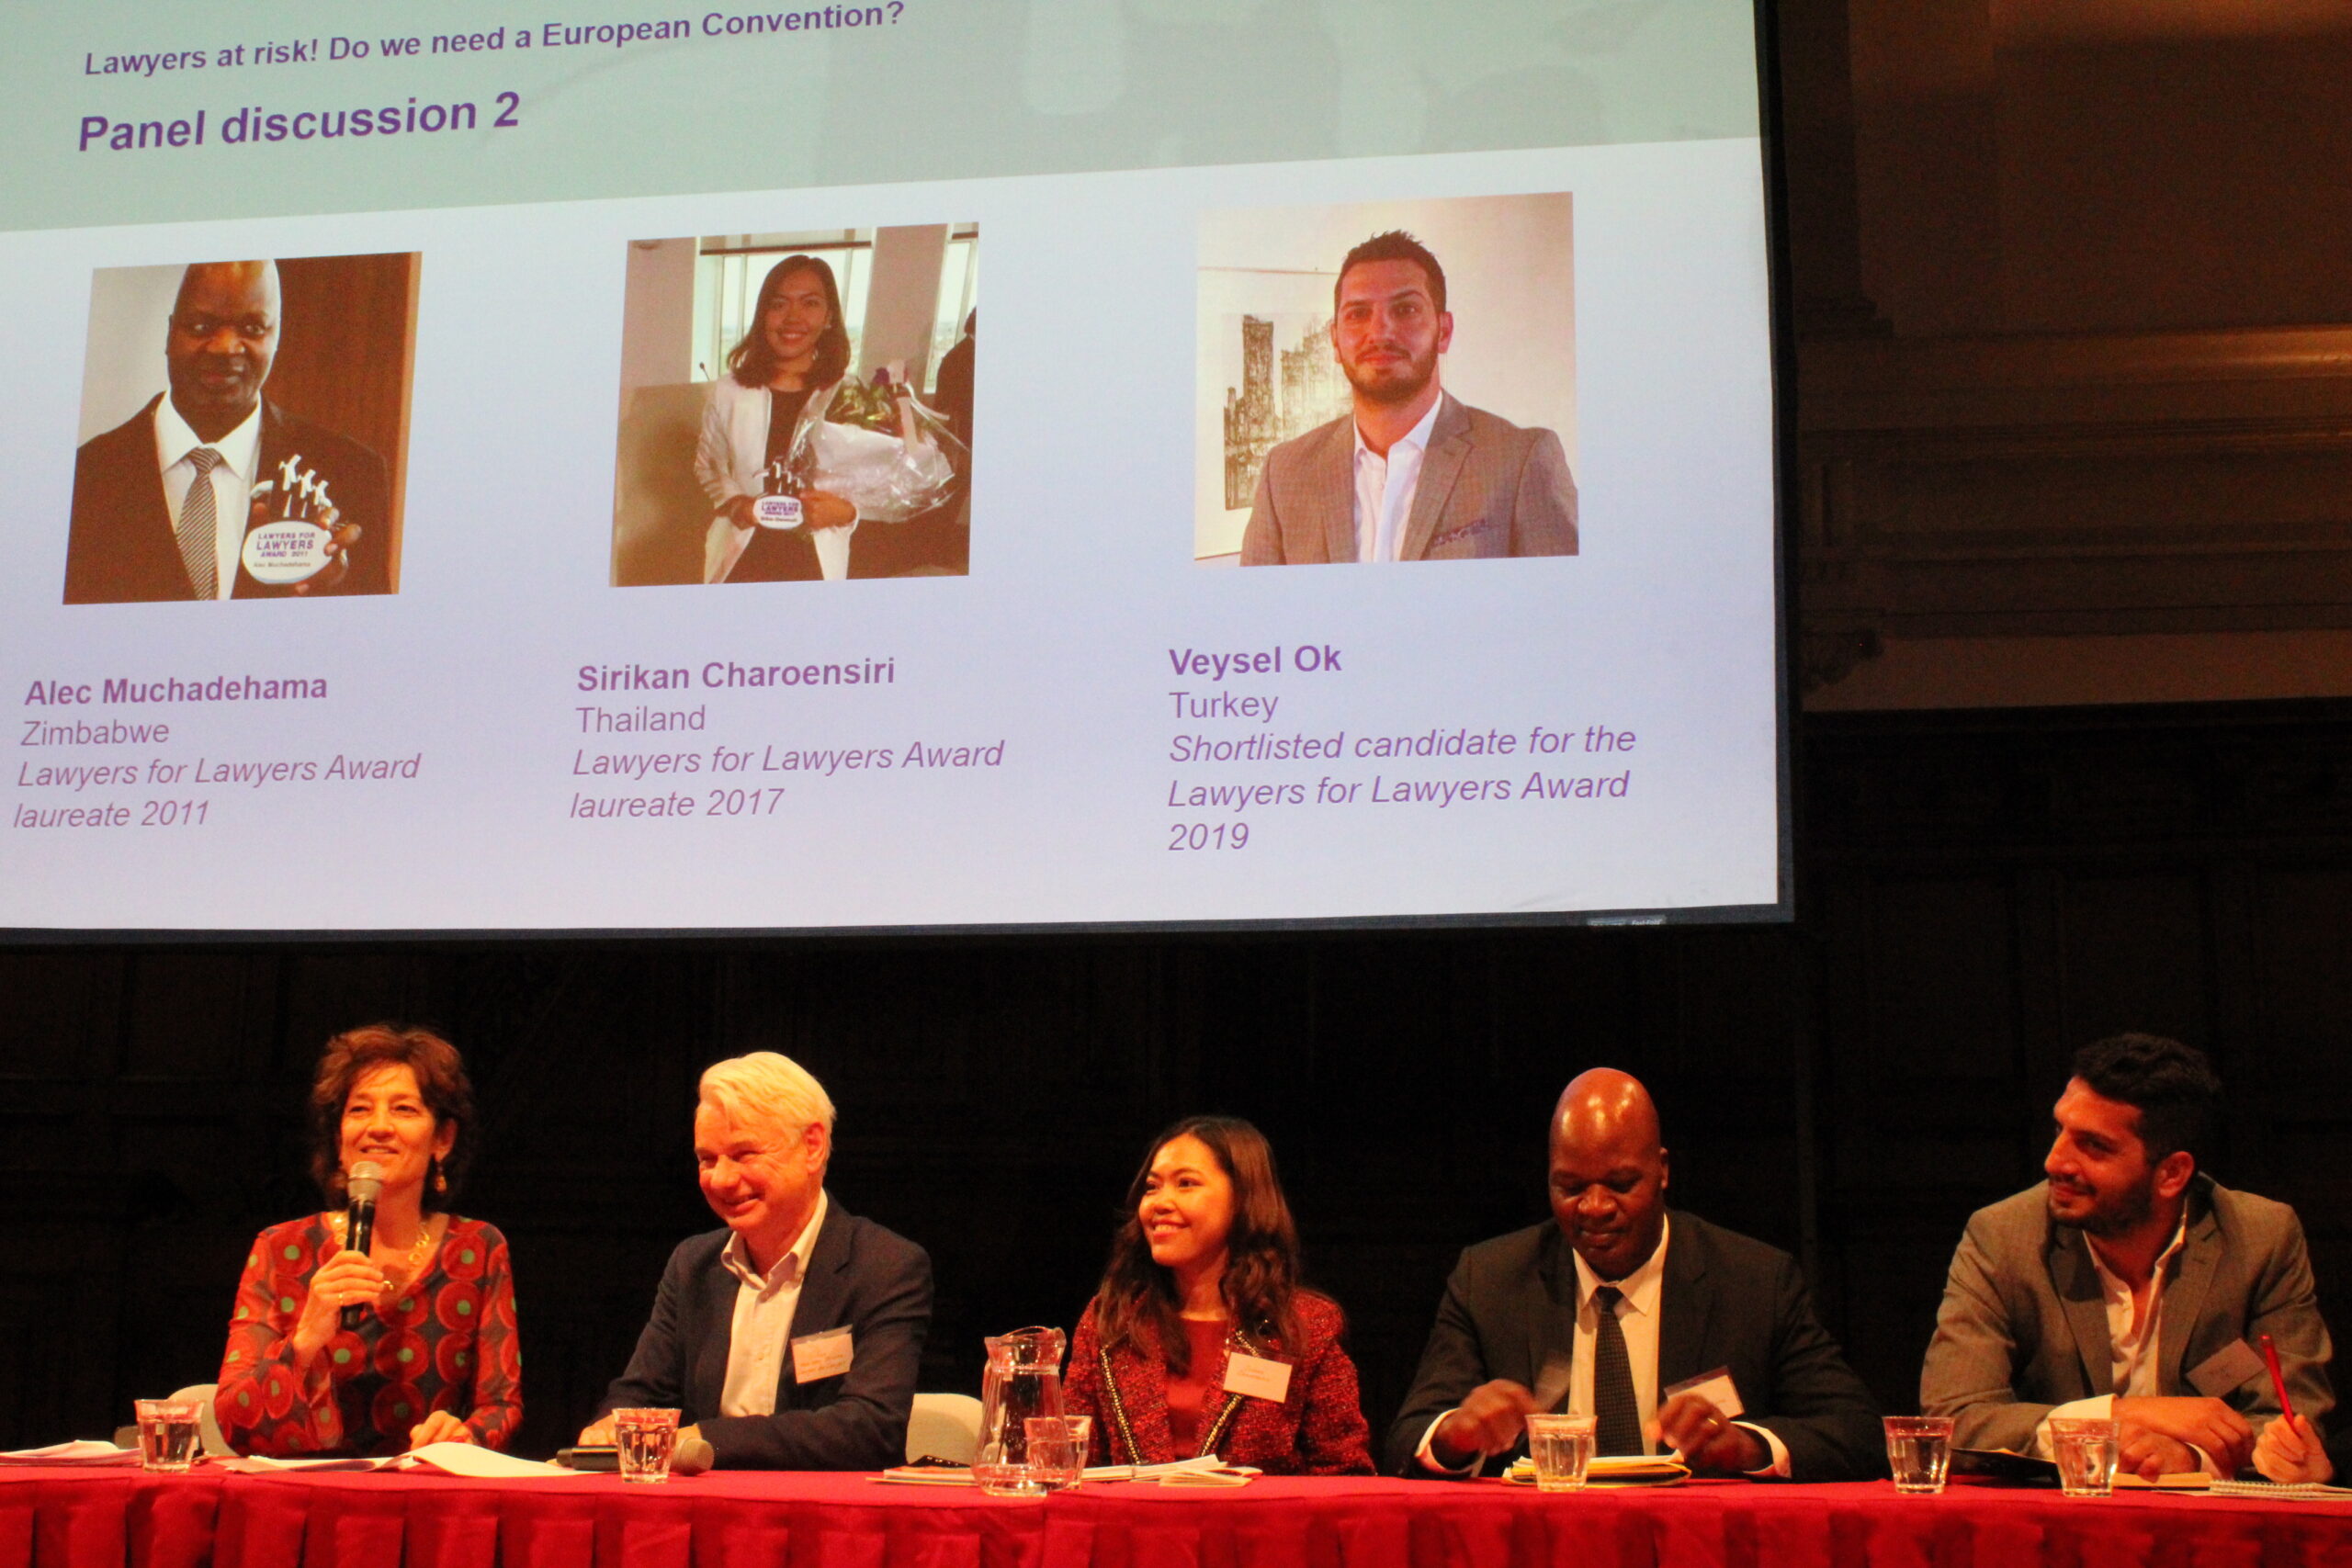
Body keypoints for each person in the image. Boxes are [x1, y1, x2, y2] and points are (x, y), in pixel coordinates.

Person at [1386, 1068, 1881, 1480]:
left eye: (1621, 1184)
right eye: (1570, 1187)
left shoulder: (1752, 1281)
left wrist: (1744, 1447)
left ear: (1662, 1170)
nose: (1595, 1207)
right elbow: (1406, 1439)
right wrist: (1455, 1435)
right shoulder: (1491, 1280)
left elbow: (1857, 1432)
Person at [1920, 1033, 2334, 1482]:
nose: (2055, 1162)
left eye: (2094, 1146)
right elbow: (1954, 1418)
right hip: (2060, 1513)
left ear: (2172, 1173)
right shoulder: (2004, 1236)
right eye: (2059, 1131)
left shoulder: (2260, 1238)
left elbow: (2292, 1423)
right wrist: (2119, 1414)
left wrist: (2190, 1458)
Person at [582, 1051, 932, 1469]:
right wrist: (611, 1426)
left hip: (825, 1505)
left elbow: (869, 1428)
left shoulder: (884, 1265)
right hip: (703, 1502)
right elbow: (641, 1395)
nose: (721, 1179)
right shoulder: (693, 1264)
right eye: (707, 1159)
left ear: (812, 1146)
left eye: (744, 1154)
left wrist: (706, 1439)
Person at [216, 1025, 518, 1456]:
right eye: (359, 1110)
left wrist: (464, 1435)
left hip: (423, 1485)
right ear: (339, 1140)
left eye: (404, 1109)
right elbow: (232, 1419)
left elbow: (501, 1405)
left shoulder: (478, 1248)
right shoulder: (282, 1248)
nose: (378, 1127)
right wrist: (305, 1340)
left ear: (443, 1139)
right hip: (307, 1487)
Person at [1240, 231, 1577, 565]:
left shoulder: (1521, 461)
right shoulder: (1284, 473)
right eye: (1358, 313)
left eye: (1405, 309)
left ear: (1444, 331)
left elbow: (1563, 598)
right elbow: (1256, 599)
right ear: (1335, 340)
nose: (1379, 332)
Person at [65, 259, 390, 603]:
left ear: (276, 337)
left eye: (252, 328)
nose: (225, 347)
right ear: (170, 334)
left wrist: (329, 593)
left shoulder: (352, 475)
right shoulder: (84, 477)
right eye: (201, 326)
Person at [1064, 1116, 1374, 1474]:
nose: (1160, 1203)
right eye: (1152, 1187)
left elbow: (1343, 1472)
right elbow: (1072, 1464)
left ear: (1243, 1199)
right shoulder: (1113, 1318)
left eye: (1186, 1184)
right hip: (1138, 1511)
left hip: (1257, 1512)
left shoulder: (1303, 1325)